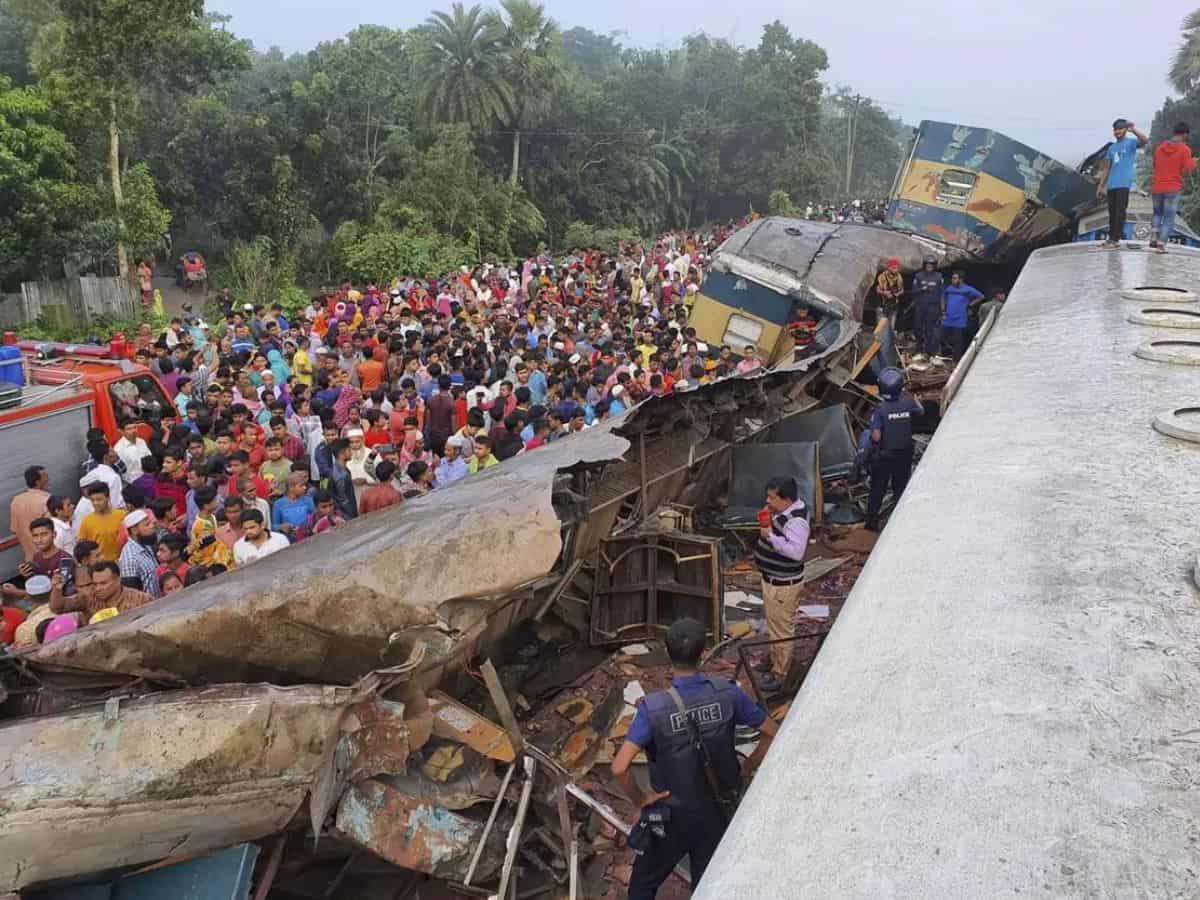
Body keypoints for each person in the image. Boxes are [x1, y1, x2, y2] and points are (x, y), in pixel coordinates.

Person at [612, 618, 778, 900]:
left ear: (668, 653)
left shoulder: (653, 709)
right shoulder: (728, 693)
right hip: (718, 810)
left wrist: (641, 800)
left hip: (671, 816)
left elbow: (619, 767)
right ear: (702, 654)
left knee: (642, 886)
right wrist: (746, 769)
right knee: (707, 885)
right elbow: (772, 733)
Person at [753, 476, 811, 691]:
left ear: (786, 499)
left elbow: (796, 553)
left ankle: (780, 674)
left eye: (772, 497)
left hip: (782, 585)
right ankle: (774, 659)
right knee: (775, 624)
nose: (767, 501)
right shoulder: (787, 512)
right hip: (773, 580)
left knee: (782, 630)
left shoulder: (796, 522)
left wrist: (770, 537)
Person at [865, 367, 923, 532]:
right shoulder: (908, 403)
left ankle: (871, 523)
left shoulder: (880, 409)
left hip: (885, 455)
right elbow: (921, 411)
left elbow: (876, 436)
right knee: (901, 488)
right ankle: (902, 522)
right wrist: (913, 397)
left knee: (878, 489)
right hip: (904, 454)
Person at [1095, 118, 1149, 248]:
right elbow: (1107, 168)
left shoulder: (1131, 143)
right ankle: (1111, 239)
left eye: (1120, 129)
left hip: (1124, 184)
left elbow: (1145, 141)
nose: (1117, 132)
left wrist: (1134, 129)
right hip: (1111, 185)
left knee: (1120, 211)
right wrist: (1101, 185)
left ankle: (1115, 240)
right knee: (1112, 212)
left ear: (1125, 130)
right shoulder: (1112, 148)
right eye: (1115, 129)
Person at [1150, 122, 1196, 253]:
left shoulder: (1159, 148)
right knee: (1169, 217)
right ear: (1185, 134)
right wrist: (1194, 162)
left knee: (1157, 213)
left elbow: (1155, 165)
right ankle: (1161, 245)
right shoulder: (1185, 149)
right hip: (1172, 187)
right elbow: (1188, 168)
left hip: (1157, 186)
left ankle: (1153, 237)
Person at [939, 271, 983, 361]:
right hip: (948, 318)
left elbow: (981, 296)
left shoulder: (968, 289)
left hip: (960, 319)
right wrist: (943, 311)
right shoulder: (949, 288)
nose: (952, 280)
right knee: (940, 337)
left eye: (955, 278)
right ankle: (944, 354)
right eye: (952, 278)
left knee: (958, 341)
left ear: (961, 280)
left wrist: (970, 305)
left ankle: (957, 359)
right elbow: (943, 297)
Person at [118, 509, 161, 598]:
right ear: (134, 530)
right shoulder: (130, 559)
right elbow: (132, 596)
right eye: (147, 524)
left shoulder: (146, 544)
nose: (152, 526)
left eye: (151, 523)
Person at [10, 465, 50, 560]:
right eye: (46, 478)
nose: (49, 480)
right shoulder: (46, 501)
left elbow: (14, 530)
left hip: (30, 559)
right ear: (38, 482)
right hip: (49, 559)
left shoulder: (16, 501)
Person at [77, 482, 125, 562]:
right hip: (99, 567)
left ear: (108, 498)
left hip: (120, 563)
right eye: (92, 500)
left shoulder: (122, 516)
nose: (95, 503)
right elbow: (81, 545)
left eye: (99, 500)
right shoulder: (87, 521)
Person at [910, 256, 944, 362]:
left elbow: (942, 293)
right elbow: (913, 291)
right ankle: (919, 347)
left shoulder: (939, 276)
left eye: (931, 265)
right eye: (927, 265)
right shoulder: (918, 276)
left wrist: (942, 308)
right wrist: (922, 289)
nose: (929, 267)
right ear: (924, 265)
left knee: (930, 329)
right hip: (920, 305)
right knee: (917, 327)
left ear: (934, 266)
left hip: (933, 306)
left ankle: (929, 350)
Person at [272, 472, 316, 540]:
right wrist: (281, 527)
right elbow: (274, 526)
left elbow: (315, 518)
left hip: (308, 538)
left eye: (305, 485)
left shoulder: (308, 500)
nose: (305, 488)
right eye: (301, 486)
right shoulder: (278, 504)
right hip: (288, 540)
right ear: (291, 487)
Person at [875, 258, 904, 324]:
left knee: (891, 324)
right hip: (883, 304)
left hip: (894, 304)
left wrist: (897, 294)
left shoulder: (899, 277)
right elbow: (877, 289)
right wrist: (884, 293)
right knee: (881, 325)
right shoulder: (882, 276)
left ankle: (891, 333)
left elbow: (902, 290)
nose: (895, 269)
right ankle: (879, 334)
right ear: (889, 267)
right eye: (893, 268)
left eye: (897, 268)